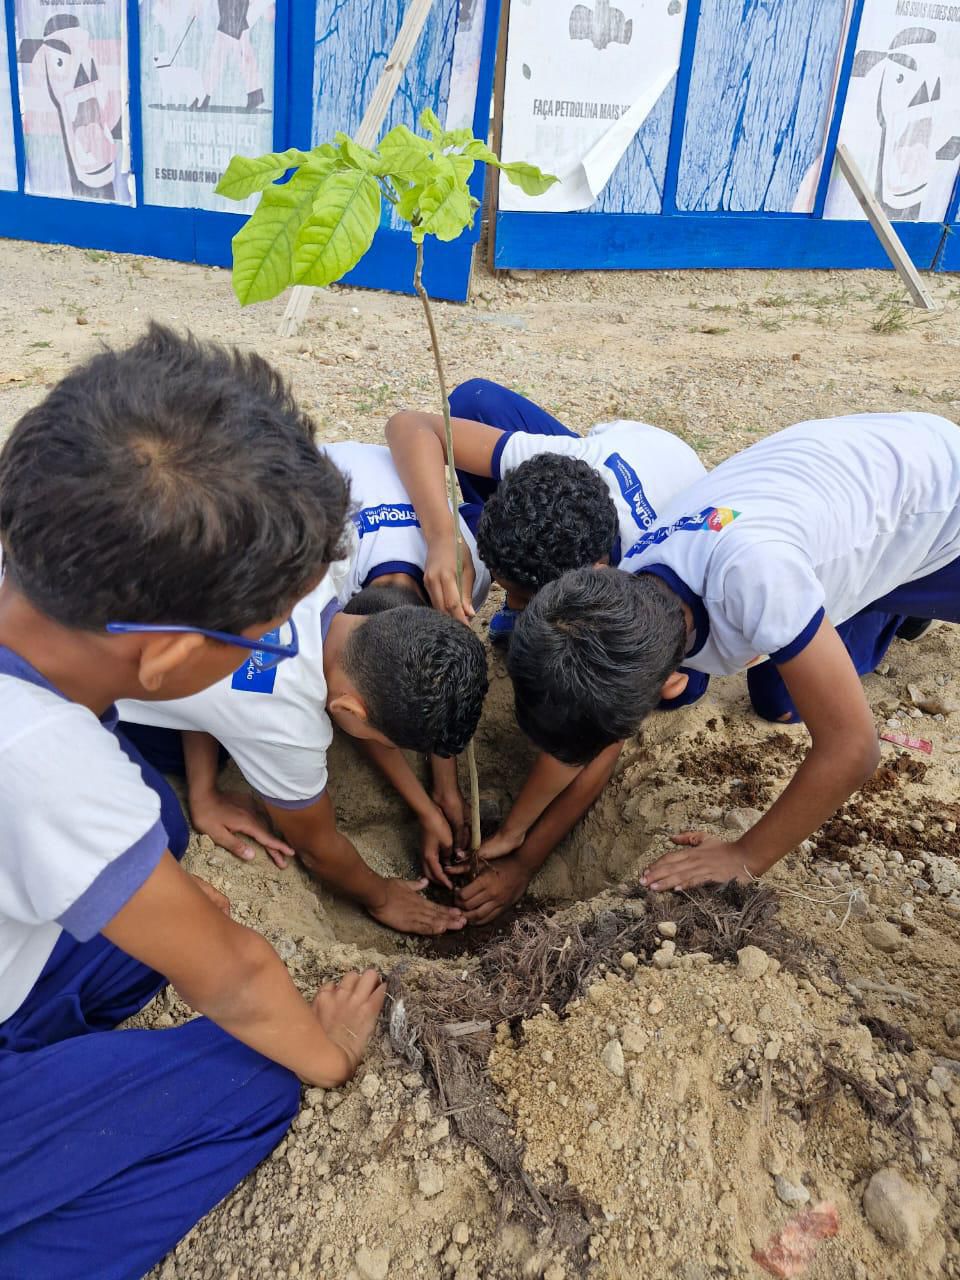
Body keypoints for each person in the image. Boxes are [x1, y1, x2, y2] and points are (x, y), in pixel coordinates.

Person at [0, 325, 385, 1280]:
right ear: (167, 658)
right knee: (255, 1079)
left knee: (162, 835)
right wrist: (328, 1051)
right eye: (262, 639)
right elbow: (241, 982)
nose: (272, 652)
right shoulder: (45, 757)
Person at [506, 410, 960, 893]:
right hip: (842, 484)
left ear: (670, 682)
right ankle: (892, 609)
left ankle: (904, 606)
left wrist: (745, 855)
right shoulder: (626, 587)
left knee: (787, 699)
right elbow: (593, 725)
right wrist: (520, 847)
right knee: (783, 693)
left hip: (938, 499)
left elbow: (853, 749)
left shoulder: (759, 581)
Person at [118, 445, 489, 936]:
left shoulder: (322, 549)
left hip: (102, 541)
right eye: (383, 739)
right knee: (165, 822)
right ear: (346, 709)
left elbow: (226, 677)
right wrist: (381, 897)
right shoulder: (287, 721)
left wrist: (205, 790)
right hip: (54, 653)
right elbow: (318, 848)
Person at [384, 378, 707, 922]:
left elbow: (596, 744)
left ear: (588, 585)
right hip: (618, 456)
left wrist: (524, 854)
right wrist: (442, 536)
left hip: (673, 500)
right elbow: (408, 424)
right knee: (470, 401)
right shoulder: (557, 469)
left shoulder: (641, 597)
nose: (504, 603)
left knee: (708, 694)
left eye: (520, 596)